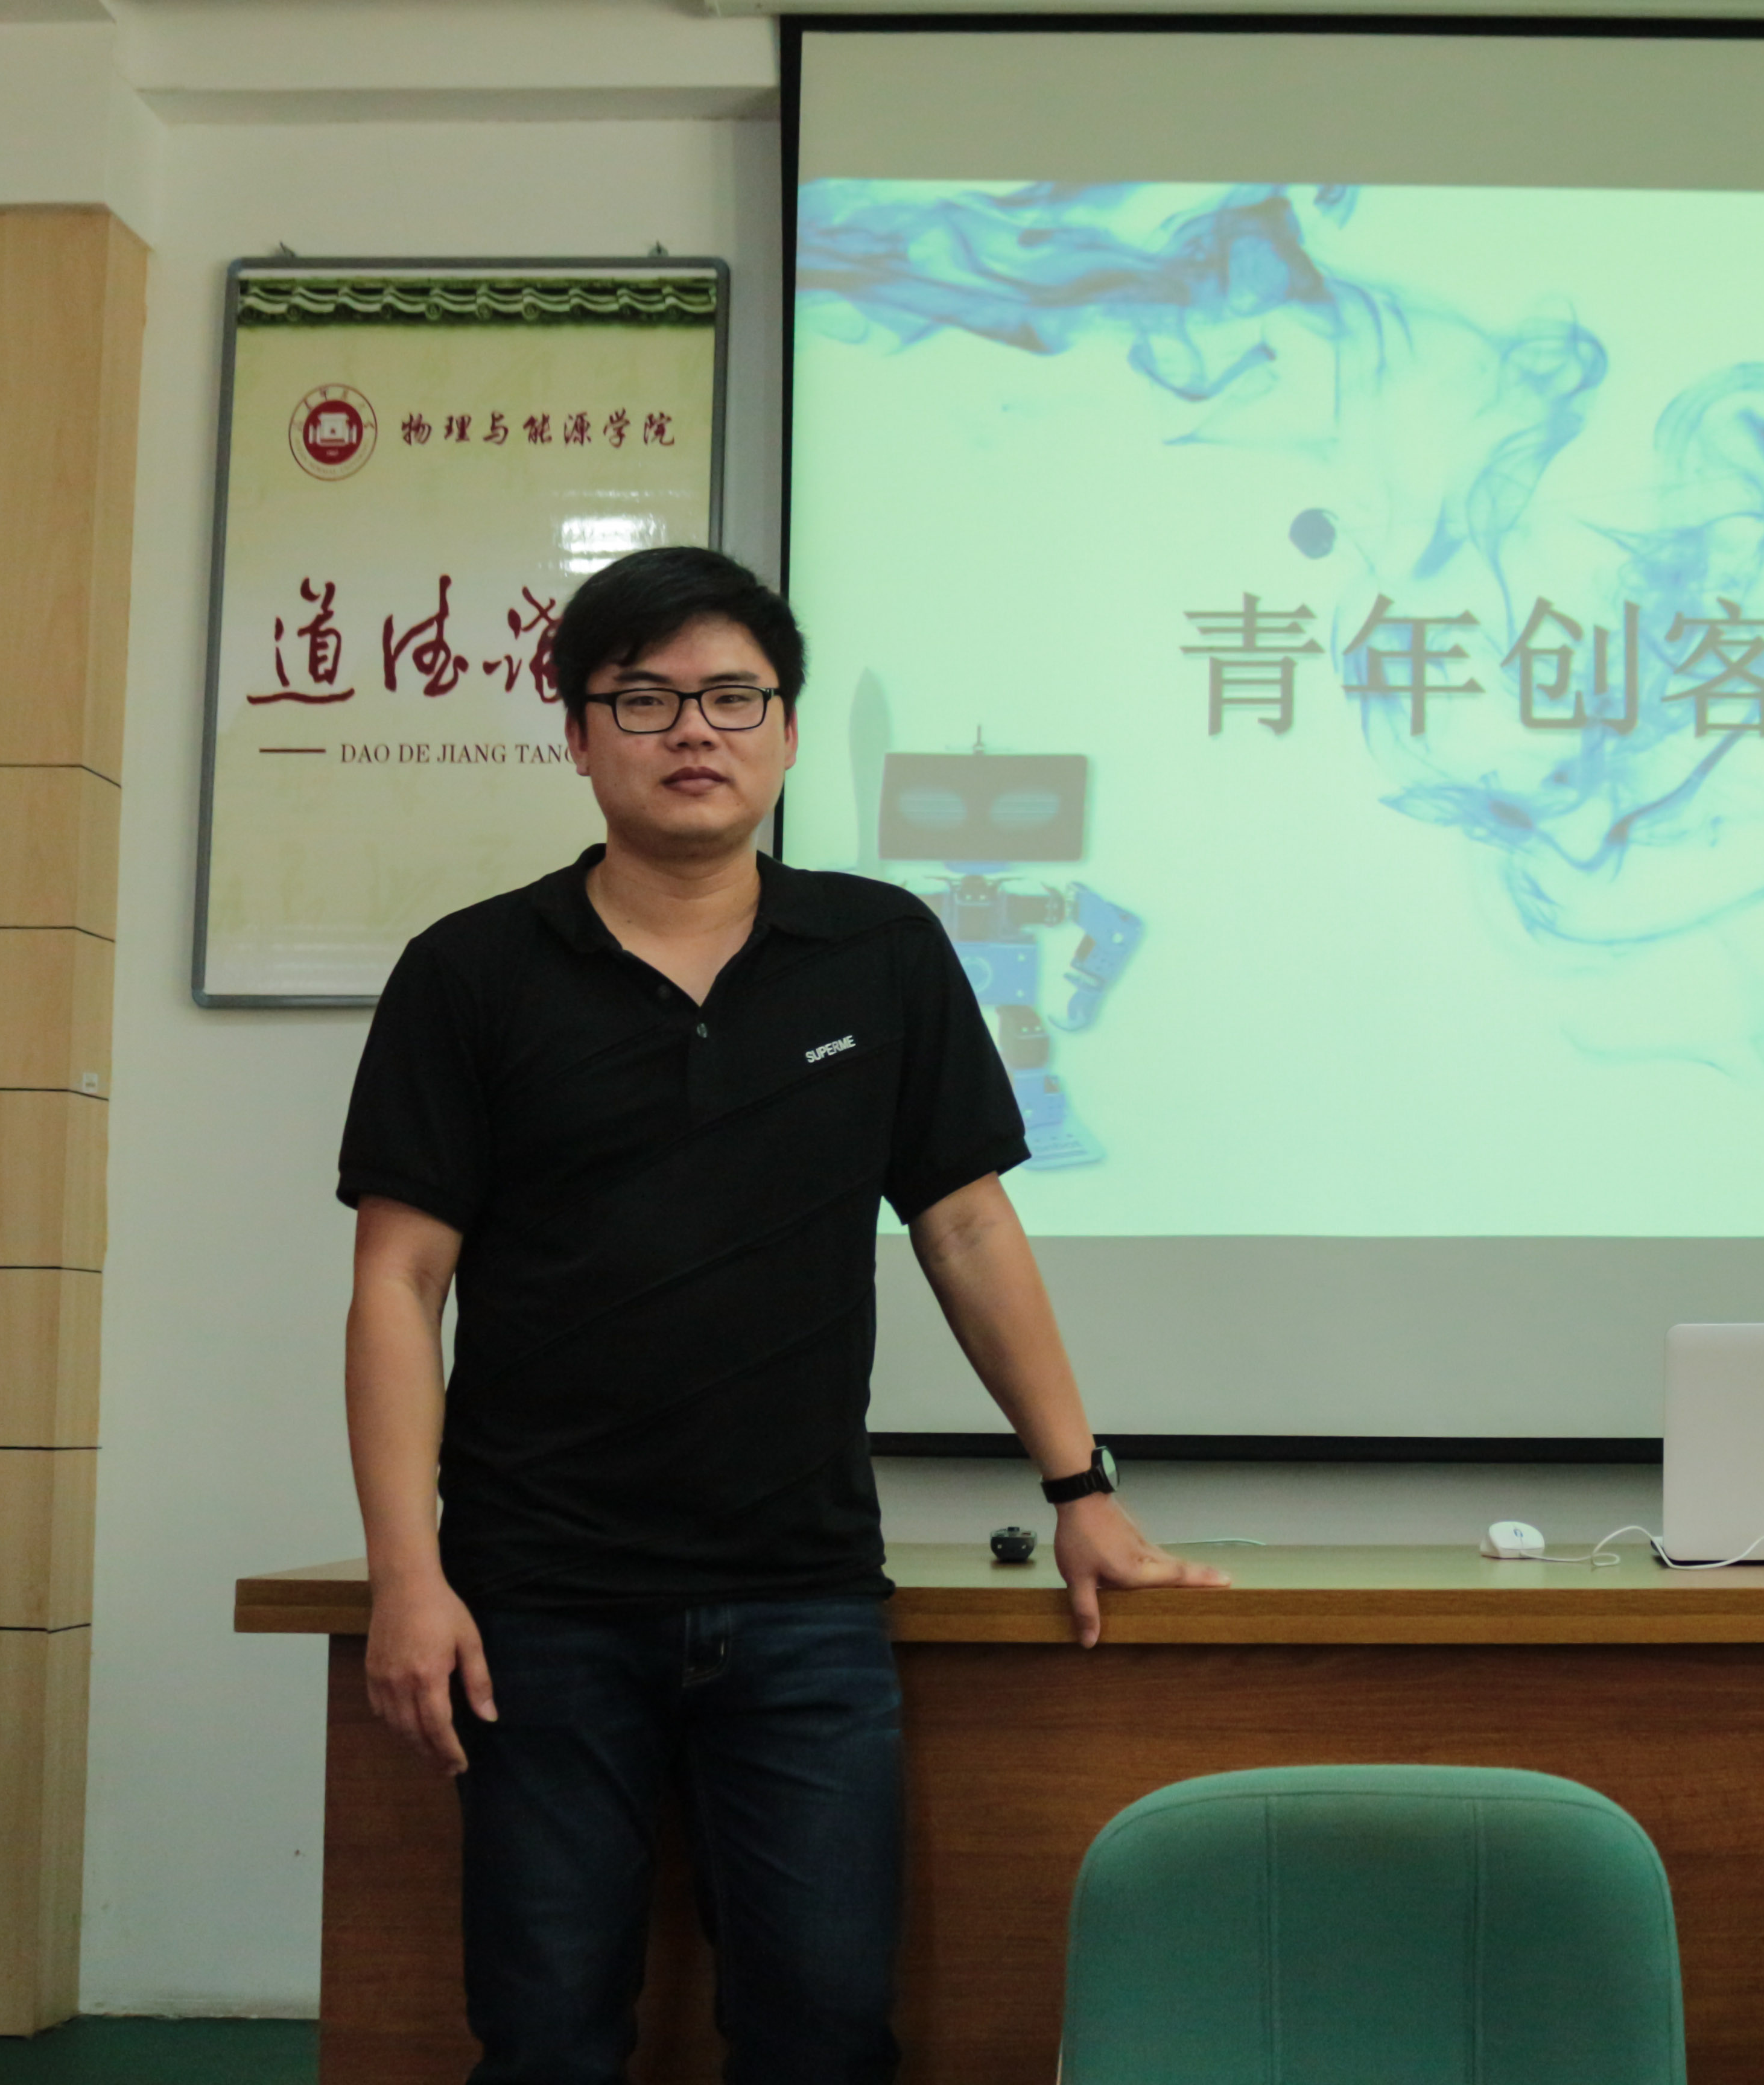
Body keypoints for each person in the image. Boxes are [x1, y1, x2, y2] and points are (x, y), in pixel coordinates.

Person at [335, 545, 1226, 2085]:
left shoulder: (879, 950)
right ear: (579, 736)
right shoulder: (472, 972)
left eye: (735, 697)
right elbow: (399, 1284)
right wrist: (406, 1575)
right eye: (646, 699)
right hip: (537, 1600)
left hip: (801, 1595)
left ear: (791, 733)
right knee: (544, 2042)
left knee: (821, 2036)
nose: (696, 729)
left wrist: (1080, 1489)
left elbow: (965, 1226)